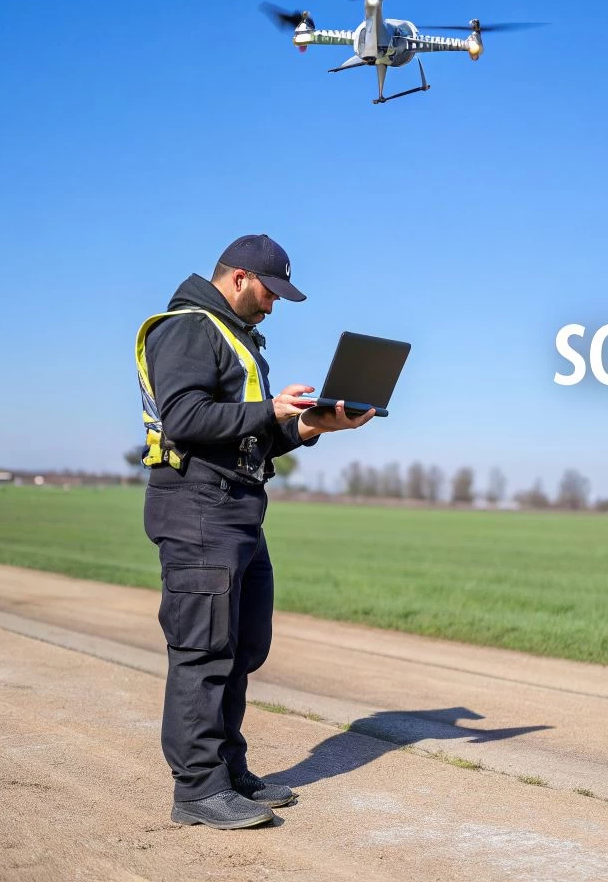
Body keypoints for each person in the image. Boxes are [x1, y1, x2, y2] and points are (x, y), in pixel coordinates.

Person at [135, 234, 375, 829]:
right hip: (198, 508)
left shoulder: (237, 338)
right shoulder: (189, 328)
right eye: (271, 293)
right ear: (239, 277)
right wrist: (271, 410)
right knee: (203, 649)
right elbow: (186, 420)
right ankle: (196, 791)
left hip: (239, 508)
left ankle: (227, 771)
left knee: (242, 647)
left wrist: (317, 425)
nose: (274, 306)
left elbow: (247, 435)